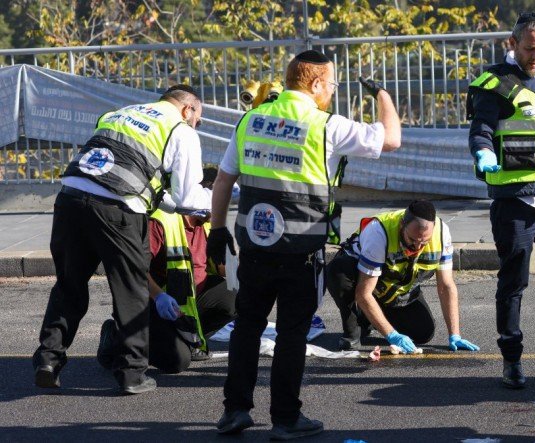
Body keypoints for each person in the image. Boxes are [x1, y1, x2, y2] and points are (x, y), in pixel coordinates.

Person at [206, 50, 401, 439]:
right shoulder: (325, 125)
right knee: (292, 334)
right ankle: (286, 418)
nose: (332, 91)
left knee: (247, 327)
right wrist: (381, 94)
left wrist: (216, 230)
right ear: (314, 84)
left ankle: (235, 411)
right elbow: (392, 137)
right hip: (300, 250)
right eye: (331, 84)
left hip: (255, 246)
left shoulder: (250, 120)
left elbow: (224, 180)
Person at [32, 85, 211, 395]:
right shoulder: (180, 131)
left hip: (71, 198)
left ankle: (48, 360)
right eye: (199, 119)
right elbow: (187, 198)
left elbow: (137, 175)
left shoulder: (119, 115)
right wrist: (220, 198)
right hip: (118, 209)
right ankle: (131, 373)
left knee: (69, 285)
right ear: (188, 110)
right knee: (131, 290)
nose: (197, 125)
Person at [467, 11, 535, 389]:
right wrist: (482, 152)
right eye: (530, 48)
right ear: (513, 44)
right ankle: (512, 358)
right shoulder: (495, 82)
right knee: (514, 282)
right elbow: (481, 130)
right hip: (516, 200)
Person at [96, 168, 236, 374]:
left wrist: (240, 268)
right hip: (154, 305)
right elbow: (133, 268)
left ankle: (188, 339)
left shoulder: (207, 223)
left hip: (187, 302)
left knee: (238, 297)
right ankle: (117, 336)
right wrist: (159, 296)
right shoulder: (161, 221)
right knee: (176, 362)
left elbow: (222, 267)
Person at [327, 200, 480, 353]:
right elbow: (363, 294)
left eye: (424, 242)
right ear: (402, 225)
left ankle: (372, 317)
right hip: (363, 282)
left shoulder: (442, 233)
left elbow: (446, 286)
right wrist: (392, 335)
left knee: (422, 333)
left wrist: (455, 334)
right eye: (412, 240)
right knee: (339, 272)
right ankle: (355, 328)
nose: (417, 247)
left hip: (396, 288)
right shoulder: (379, 232)